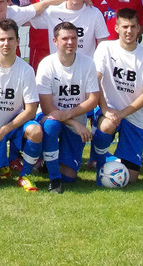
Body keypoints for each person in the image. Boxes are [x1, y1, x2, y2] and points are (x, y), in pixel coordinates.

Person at [90, 8, 143, 184]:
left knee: (131, 178)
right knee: (107, 125)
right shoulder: (105, 48)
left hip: (133, 116)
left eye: (133, 27)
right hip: (108, 110)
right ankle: (99, 160)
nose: (129, 31)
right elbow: (95, 80)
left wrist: (123, 113)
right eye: (125, 26)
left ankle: (110, 159)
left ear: (139, 29)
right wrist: (105, 109)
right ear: (116, 28)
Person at [0, 19, 42, 191]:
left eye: (11, 39)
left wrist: (4, 130)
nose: (6, 43)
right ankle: (6, 162)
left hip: (14, 126)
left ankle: (25, 174)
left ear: (18, 41)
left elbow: (31, 110)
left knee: (35, 131)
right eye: (2, 39)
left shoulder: (26, 70)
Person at [36, 22, 100, 192]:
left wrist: (69, 116)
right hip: (50, 117)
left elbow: (93, 99)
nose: (70, 42)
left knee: (70, 177)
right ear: (55, 41)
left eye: (73, 38)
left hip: (73, 118)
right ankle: (53, 179)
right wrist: (74, 123)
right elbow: (47, 107)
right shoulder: (46, 64)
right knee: (51, 124)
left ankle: (50, 163)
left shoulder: (88, 63)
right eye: (65, 38)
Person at [30, 0, 109, 63]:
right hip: (58, 69)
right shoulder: (52, 12)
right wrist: (45, 3)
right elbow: (27, 18)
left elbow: (102, 45)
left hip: (84, 69)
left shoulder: (95, 13)